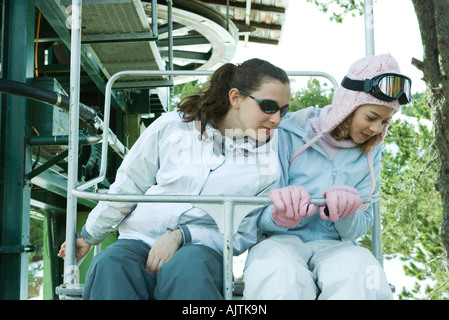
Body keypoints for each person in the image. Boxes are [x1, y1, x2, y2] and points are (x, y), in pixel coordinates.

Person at [57, 58, 291, 300]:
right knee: (110, 264)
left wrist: (182, 235)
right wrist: (88, 235)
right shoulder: (174, 127)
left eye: (283, 110)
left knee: (190, 271)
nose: (277, 119)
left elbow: (243, 233)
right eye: (268, 106)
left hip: (201, 247)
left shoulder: (267, 162)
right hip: (141, 238)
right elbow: (130, 184)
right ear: (236, 98)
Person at [243, 53, 411, 300]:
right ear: (348, 107)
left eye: (386, 122)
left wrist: (347, 213)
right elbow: (258, 216)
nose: (376, 129)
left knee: (363, 274)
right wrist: (279, 214)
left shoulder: (371, 152)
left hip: (335, 246)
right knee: (280, 275)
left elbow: (359, 228)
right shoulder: (289, 133)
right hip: (279, 241)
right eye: (371, 117)